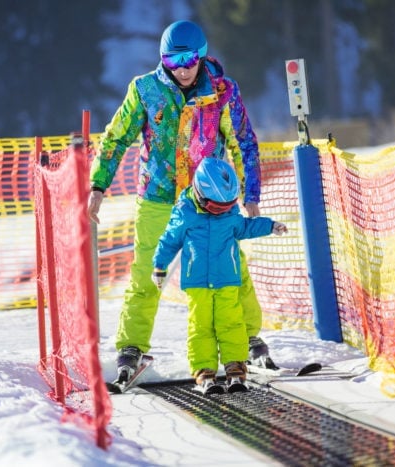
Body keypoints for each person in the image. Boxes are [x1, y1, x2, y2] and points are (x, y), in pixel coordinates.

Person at [87, 19, 274, 383]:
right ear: (163, 60)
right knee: (146, 274)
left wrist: (251, 196)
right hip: (158, 198)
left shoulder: (222, 92)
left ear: (201, 56)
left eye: (190, 59)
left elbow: (244, 143)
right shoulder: (145, 90)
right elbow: (115, 139)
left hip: (211, 202)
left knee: (231, 272)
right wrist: (98, 185)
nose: (184, 68)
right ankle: (132, 346)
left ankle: (249, 337)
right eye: (174, 61)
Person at [151, 158, 287, 391]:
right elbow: (169, 240)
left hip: (227, 278)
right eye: (217, 208)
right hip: (197, 282)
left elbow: (245, 227)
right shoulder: (185, 212)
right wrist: (159, 266)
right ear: (200, 194)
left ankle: (235, 366)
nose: (222, 212)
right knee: (201, 326)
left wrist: (269, 225)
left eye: (228, 207)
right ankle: (205, 370)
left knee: (232, 324)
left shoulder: (230, 213)